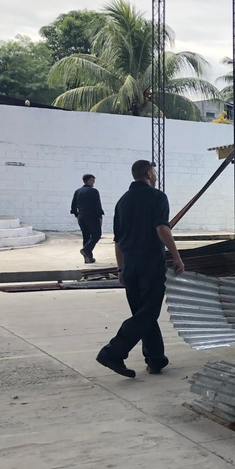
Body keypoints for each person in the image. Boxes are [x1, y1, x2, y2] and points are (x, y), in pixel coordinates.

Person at [96, 160, 185, 379]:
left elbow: (117, 240)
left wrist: (120, 268)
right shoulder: (158, 197)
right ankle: (112, 352)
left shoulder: (122, 202)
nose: (155, 176)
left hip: (129, 264)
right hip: (149, 263)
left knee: (142, 313)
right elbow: (162, 228)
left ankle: (155, 360)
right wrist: (176, 256)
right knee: (148, 313)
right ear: (148, 173)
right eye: (154, 172)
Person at [70, 173, 104, 263]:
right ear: (89, 180)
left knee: (86, 237)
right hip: (92, 217)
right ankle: (86, 249)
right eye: (93, 180)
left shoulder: (78, 191)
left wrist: (77, 215)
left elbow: (73, 206)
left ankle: (88, 258)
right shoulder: (94, 191)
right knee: (97, 235)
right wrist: (100, 217)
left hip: (81, 217)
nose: (94, 182)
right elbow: (97, 205)